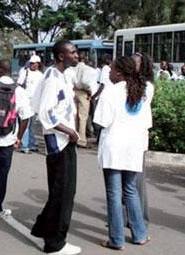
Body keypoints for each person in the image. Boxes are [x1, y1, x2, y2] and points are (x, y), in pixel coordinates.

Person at [94, 56, 152, 250]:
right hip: (133, 147)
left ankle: (116, 239)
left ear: (118, 73)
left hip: (114, 146)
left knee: (114, 193)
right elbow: (147, 123)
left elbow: (102, 121)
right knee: (130, 190)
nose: (108, 73)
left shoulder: (111, 92)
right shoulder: (141, 91)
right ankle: (140, 234)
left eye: (111, 70)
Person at [31, 40, 81, 255]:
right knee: (63, 193)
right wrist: (69, 132)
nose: (77, 56)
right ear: (61, 56)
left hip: (64, 141)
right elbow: (46, 112)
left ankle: (44, 227)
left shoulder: (61, 76)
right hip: (60, 142)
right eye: (73, 52)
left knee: (60, 191)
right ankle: (55, 243)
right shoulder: (52, 78)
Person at [0, 59, 32, 218]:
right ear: (10, 71)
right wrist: (19, 137)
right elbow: (25, 117)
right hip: (8, 137)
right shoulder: (19, 90)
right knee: (2, 171)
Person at [131, 52, 154, 225]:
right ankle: (127, 215)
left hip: (138, 135)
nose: (132, 64)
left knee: (136, 179)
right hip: (128, 135)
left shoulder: (147, 86)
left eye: (136, 62)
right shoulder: (128, 83)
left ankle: (140, 218)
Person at [17, 55, 43, 153]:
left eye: (34, 63)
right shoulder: (24, 72)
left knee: (31, 124)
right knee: (25, 124)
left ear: (38, 64)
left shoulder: (40, 75)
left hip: (35, 101)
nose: (32, 65)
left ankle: (31, 144)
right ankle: (25, 145)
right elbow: (19, 85)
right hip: (25, 101)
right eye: (31, 63)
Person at [71, 52, 98, 148]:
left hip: (73, 91)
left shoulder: (73, 68)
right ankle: (81, 140)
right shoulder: (86, 69)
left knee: (74, 116)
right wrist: (89, 90)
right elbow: (85, 81)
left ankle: (73, 137)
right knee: (83, 117)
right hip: (83, 92)